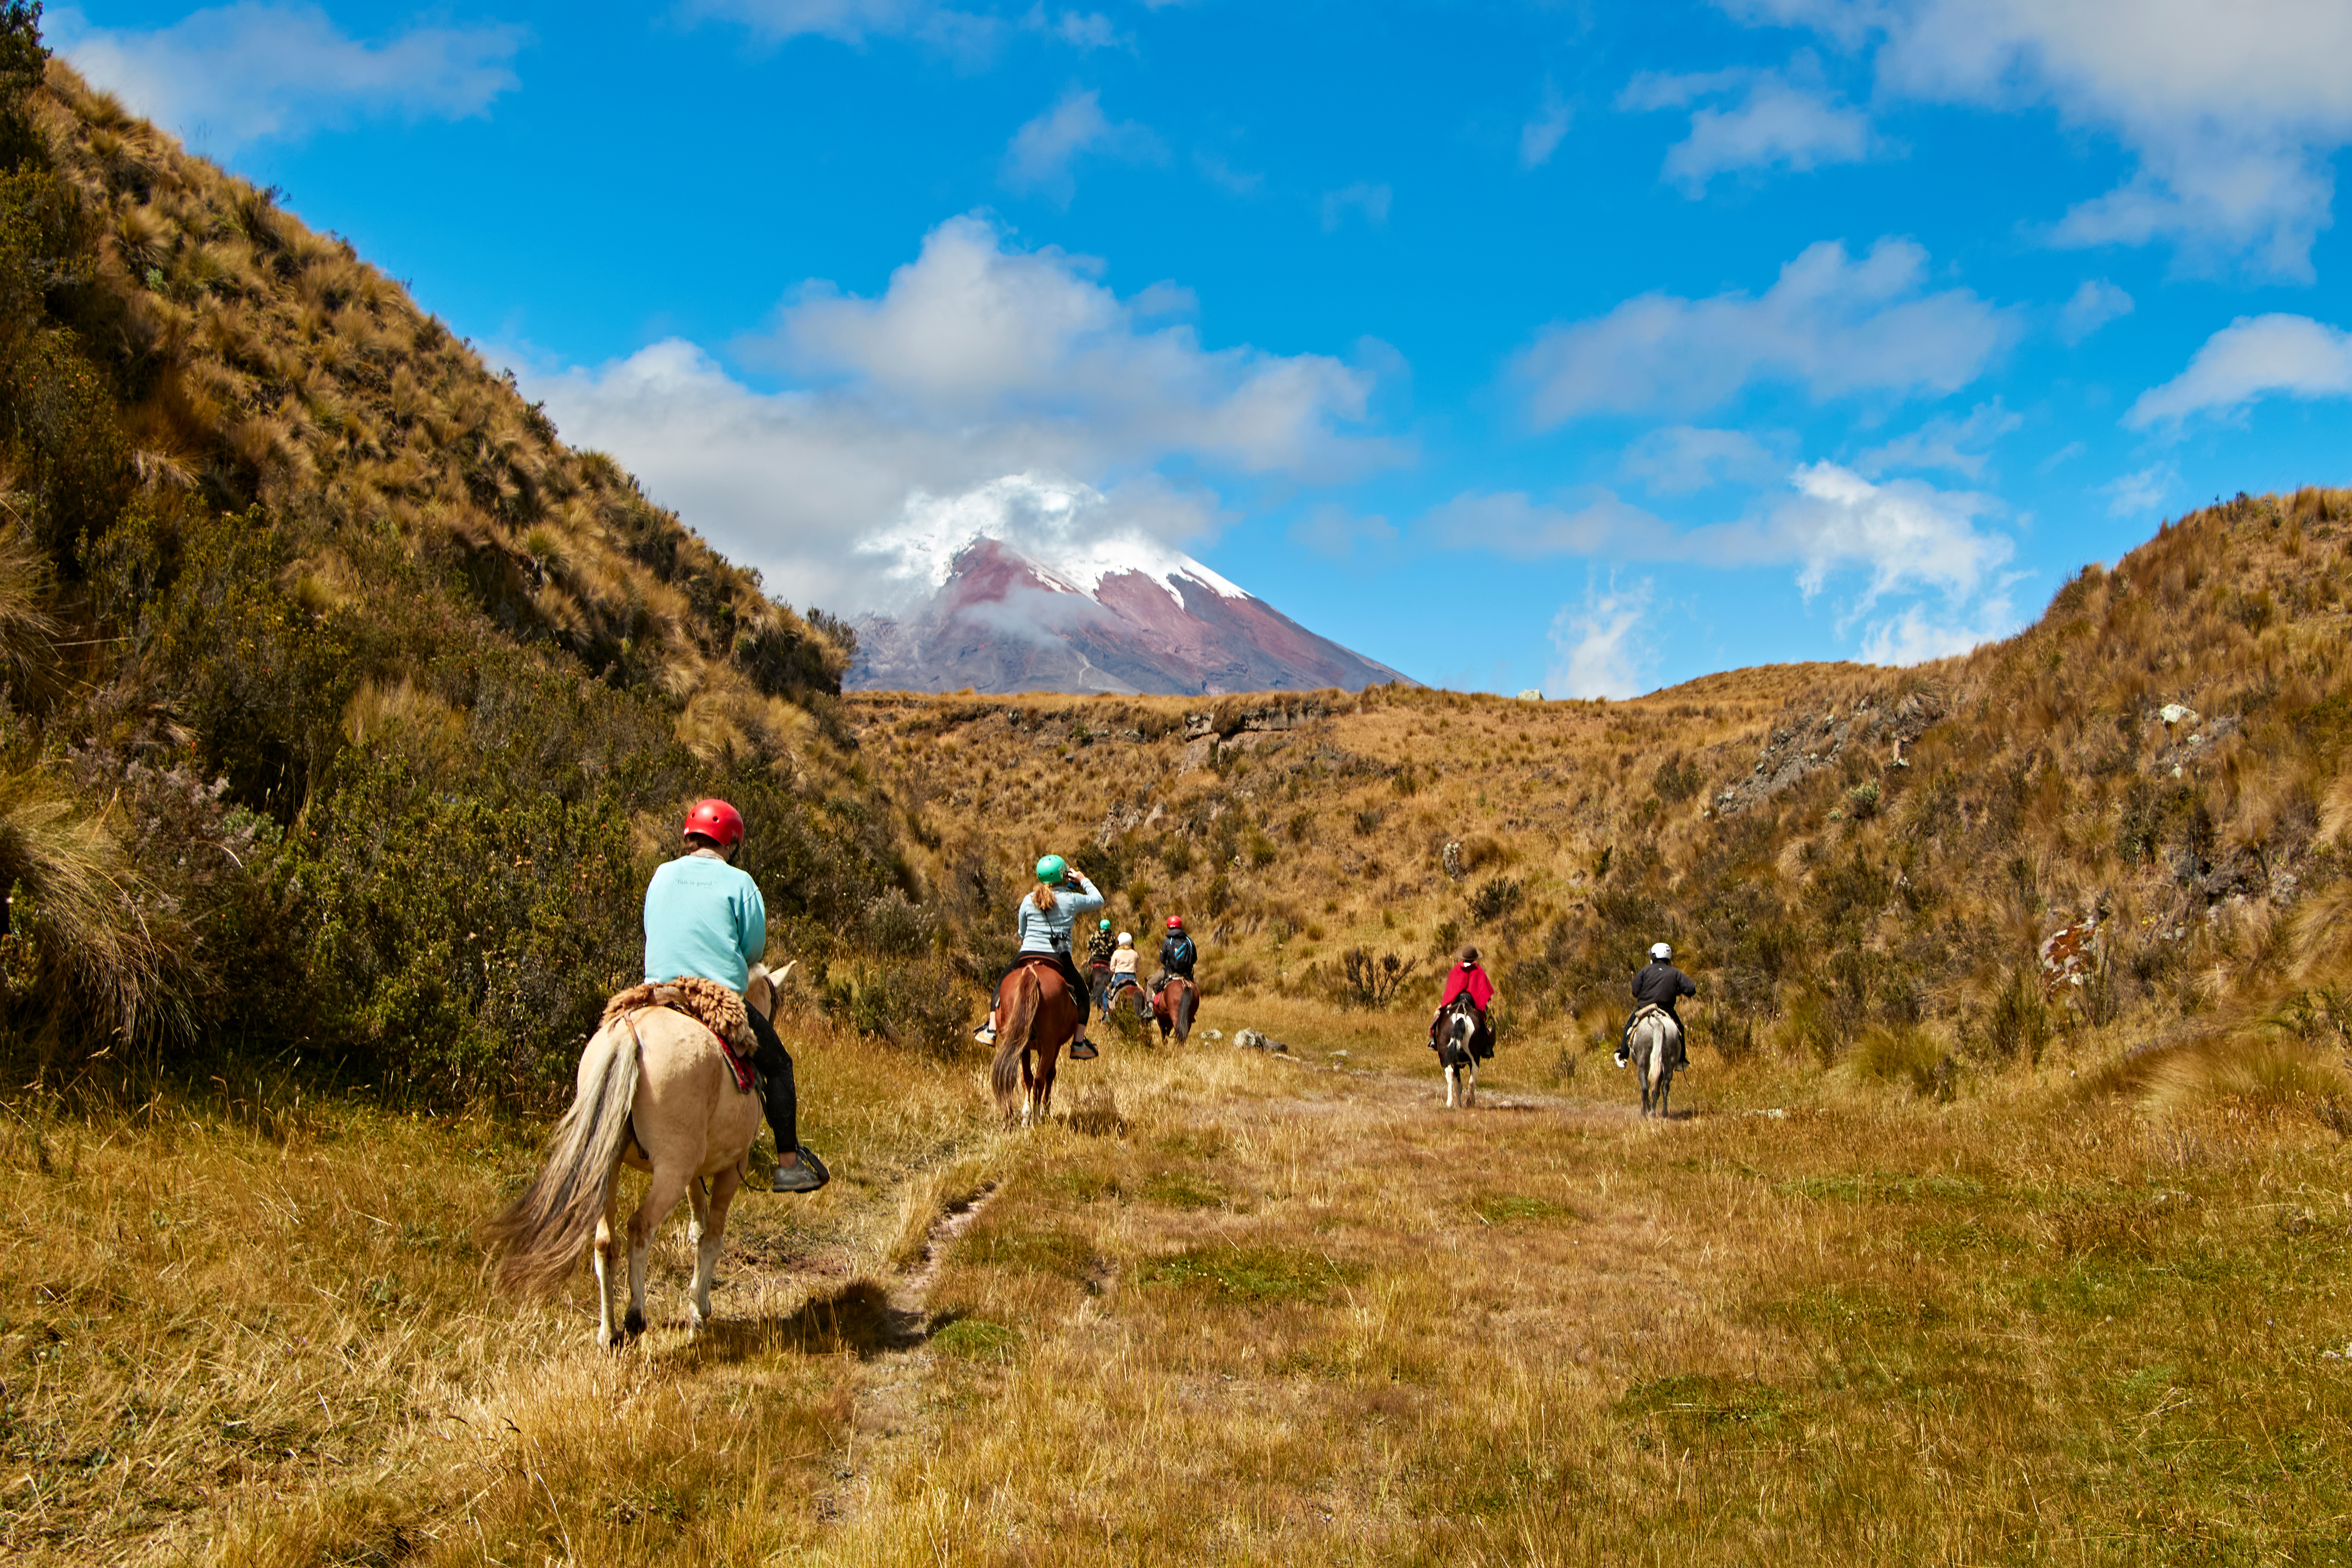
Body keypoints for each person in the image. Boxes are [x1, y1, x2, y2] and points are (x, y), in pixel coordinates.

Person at [643, 797, 828, 1194]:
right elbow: (754, 951)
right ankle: (789, 1166)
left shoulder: (661, 873)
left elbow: (652, 926)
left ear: (690, 837)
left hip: (656, 992)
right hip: (714, 996)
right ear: (731, 843)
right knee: (779, 1066)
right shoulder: (740, 882)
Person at [974, 855, 1105, 1058]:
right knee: (1083, 995)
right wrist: (1082, 880)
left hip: (1026, 954)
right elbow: (1098, 901)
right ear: (1063, 874)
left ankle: (991, 1030)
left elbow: (1022, 932)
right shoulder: (1071, 899)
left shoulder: (1029, 899)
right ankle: (1079, 1043)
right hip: (1058, 957)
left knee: (1000, 987)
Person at [1620, 941, 1697, 1069]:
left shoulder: (1645, 971)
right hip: (1667, 1010)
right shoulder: (1675, 973)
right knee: (1681, 1029)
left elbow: (1635, 991)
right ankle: (1681, 1060)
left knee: (1629, 1026)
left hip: (1645, 1009)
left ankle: (1623, 1055)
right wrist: (1677, 990)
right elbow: (1691, 989)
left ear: (1654, 957)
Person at [1428, 944, 1498, 1058]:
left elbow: (1451, 990)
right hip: (1473, 1001)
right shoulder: (1478, 970)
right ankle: (1488, 1047)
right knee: (1490, 1022)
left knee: (1438, 1015)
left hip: (1456, 999)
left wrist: (1446, 1002)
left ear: (1463, 957)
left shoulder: (1456, 970)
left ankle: (1434, 1039)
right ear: (1475, 959)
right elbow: (1483, 990)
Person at [1106, 931, 1150, 1020]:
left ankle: (1107, 1015)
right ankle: (1148, 1010)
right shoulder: (1135, 953)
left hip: (1119, 977)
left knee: (1107, 994)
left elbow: (1112, 968)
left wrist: (1116, 971)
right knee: (1143, 992)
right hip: (1132, 977)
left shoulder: (1116, 953)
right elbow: (1138, 968)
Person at [1158, 916, 1197, 983]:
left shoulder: (1167, 941)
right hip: (1187, 975)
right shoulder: (1189, 941)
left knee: (1150, 984)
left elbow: (1162, 959)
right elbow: (1194, 959)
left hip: (1170, 973)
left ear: (1169, 927)